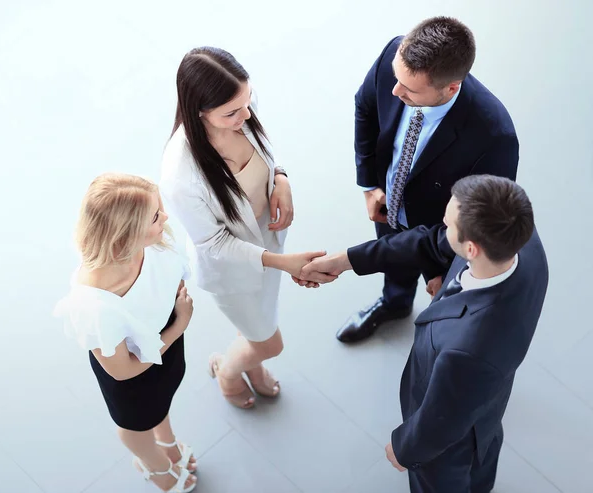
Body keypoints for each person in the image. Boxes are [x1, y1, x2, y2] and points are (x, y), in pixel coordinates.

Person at [298, 175, 548, 492]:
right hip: (485, 401)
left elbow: (441, 419)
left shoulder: (468, 350)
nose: (442, 225)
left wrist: (405, 450)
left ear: (471, 248)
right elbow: (428, 242)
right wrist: (346, 260)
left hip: (452, 444)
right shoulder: (521, 240)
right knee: (483, 459)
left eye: (448, 223)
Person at [160, 47, 331, 409]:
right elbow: (214, 244)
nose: (247, 114)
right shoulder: (180, 175)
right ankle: (228, 373)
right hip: (233, 269)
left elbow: (265, 143)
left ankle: (250, 358)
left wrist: (281, 176)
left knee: (259, 322)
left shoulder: (237, 107)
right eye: (234, 112)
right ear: (200, 111)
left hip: (266, 244)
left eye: (248, 102)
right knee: (271, 342)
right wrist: (280, 262)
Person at [338, 16, 520, 343]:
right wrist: (370, 186)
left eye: (409, 89)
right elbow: (365, 108)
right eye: (396, 78)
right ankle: (394, 303)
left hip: (436, 232)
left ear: (450, 88)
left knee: (444, 320)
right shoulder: (395, 55)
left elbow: (478, 221)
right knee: (391, 257)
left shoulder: (494, 136)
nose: (395, 91)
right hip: (385, 202)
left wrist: (440, 264)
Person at [54, 173, 197, 493]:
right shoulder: (94, 306)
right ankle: (156, 466)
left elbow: (171, 281)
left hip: (164, 345)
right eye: (156, 216)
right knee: (135, 423)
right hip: (136, 371)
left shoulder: (155, 242)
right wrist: (178, 327)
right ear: (126, 233)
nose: (166, 218)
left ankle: (167, 440)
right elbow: (123, 370)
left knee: (159, 403)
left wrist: (173, 325)